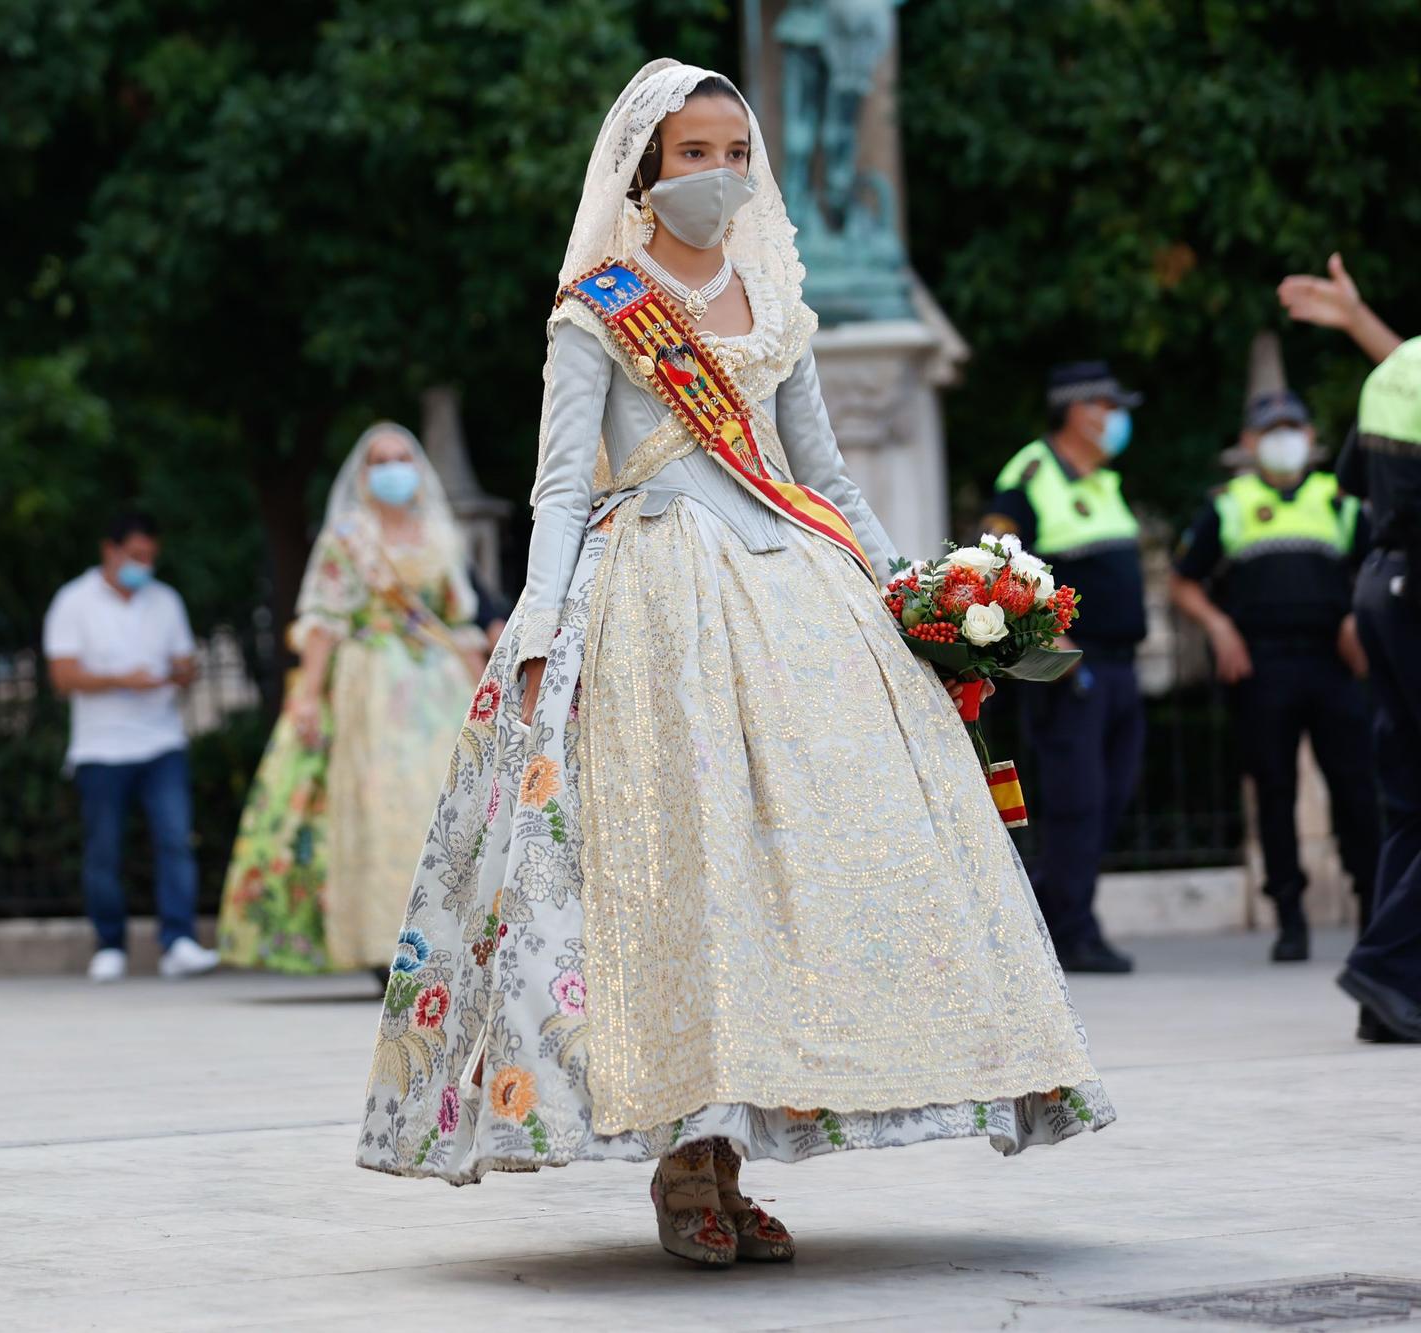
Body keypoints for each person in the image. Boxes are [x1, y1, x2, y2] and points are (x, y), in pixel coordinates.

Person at [356, 61, 1111, 1268]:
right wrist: (538, 628)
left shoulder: (775, 299)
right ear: (645, 170)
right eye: (693, 152)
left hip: (795, 595)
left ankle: (733, 1154)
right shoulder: (595, 304)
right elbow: (559, 488)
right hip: (653, 593)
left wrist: (913, 588)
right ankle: (684, 1168)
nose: (718, 172)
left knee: (782, 887)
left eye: (732, 151)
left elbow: (822, 472)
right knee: (685, 887)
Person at [218, 423, 483, 974]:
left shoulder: (438, 534)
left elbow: (458, 620)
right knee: (380, 804)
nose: (393, 469)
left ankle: (449, 936)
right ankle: (384, 943)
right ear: (362, 476)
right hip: (371, 683)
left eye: (402, 457)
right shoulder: (349, 537)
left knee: (441, 803)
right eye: (380, 460)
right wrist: (309, 696)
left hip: (437, 686)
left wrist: (486, 691)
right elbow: (324, 620)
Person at [1168, 391, 1376, 963]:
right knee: (1275, 790)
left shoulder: (1340, 500)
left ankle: (1372, 909)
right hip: (1261, 665)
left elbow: (1376, 567)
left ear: (1311, 439)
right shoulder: (1230, 504)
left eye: (1293, 427)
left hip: (1333, 664)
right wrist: (1219, 627)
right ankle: (1290, 917)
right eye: (1271, 429)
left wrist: (1360, 616)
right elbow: (1183, 581)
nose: (1284, 438)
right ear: (1251, 444)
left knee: (1357, 789)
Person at [978, 362, 1149, 974]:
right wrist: (1061, 645)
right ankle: (1070, 931)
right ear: (1079, 410)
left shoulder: (1103, 480)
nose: (1116, 418)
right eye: (1108, 405)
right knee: (1077, 801)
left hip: (1122, 667)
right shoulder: (1030, 474)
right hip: (1071, 670)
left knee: (1112, 797)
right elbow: (997, 562)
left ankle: (1061, 914)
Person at [43, 511, 219, 983]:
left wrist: (179, 673)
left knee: (175, 840)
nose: (144, 565)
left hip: (162, 741)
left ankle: (178, 942)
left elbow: (184, 662)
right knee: (104, 850)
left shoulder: (165, 601)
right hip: (100, 749)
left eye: (150, 557)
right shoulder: (73, 602)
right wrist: (122, 680)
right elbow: (62, 675)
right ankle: (109, 945)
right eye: (136, 556)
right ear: (111, 550)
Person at [1330, 338, 1421, 1043]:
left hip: (1383, 581)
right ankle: (1386, 968)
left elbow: (1355, 479)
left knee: (1409, 804)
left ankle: (1387, 1003)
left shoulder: (1397, 366)